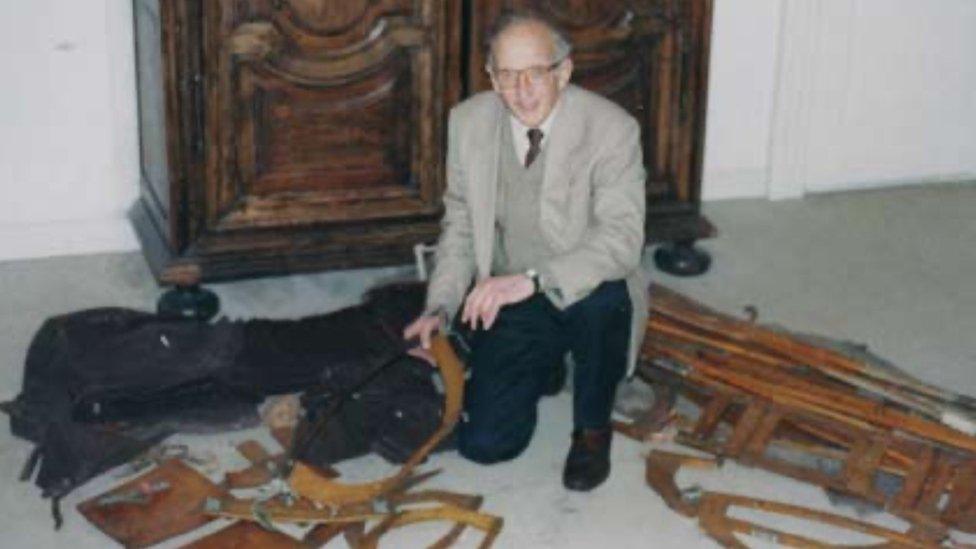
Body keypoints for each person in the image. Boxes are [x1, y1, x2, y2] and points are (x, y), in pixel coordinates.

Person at [403, 12, 648, 492]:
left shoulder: (612, 129)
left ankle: (593, 430)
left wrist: (534, 279)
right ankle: (548, 362)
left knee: (603, 302)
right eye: (507, 76)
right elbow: (459, 228)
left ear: (563, 72)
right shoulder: (469, 121)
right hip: (511, 294)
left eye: (536, 73)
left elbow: (621, 241)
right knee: (485, 445)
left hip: (585, 286)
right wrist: (440, 307)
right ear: (491, 77)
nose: (523, 91)